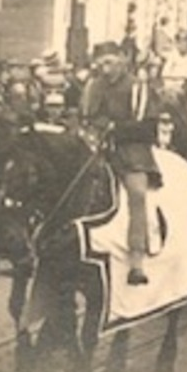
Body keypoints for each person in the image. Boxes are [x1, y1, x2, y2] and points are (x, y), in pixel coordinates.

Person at [81, 42, 164, 286]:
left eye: (110, 63)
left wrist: (116, 129)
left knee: (137, 193)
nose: (106, 70)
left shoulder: (138, 87)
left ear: (122, 60)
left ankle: (136, 257)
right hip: (98, 147)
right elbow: (86, 117)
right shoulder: (93, 87)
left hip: (131, 150)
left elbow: (147, 127)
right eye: (101, 64)